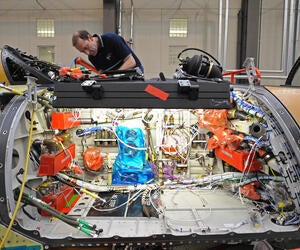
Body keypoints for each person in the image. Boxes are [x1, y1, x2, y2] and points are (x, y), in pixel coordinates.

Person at [72, 30, 144, 73]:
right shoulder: (92, 57)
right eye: (83, 51)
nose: (87, 53)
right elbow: (103, 74)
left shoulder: (111, 39)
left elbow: (131, 62)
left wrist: (114, 75)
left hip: (134, 73)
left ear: (90, 38)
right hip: (117, 79)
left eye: (86, 47)